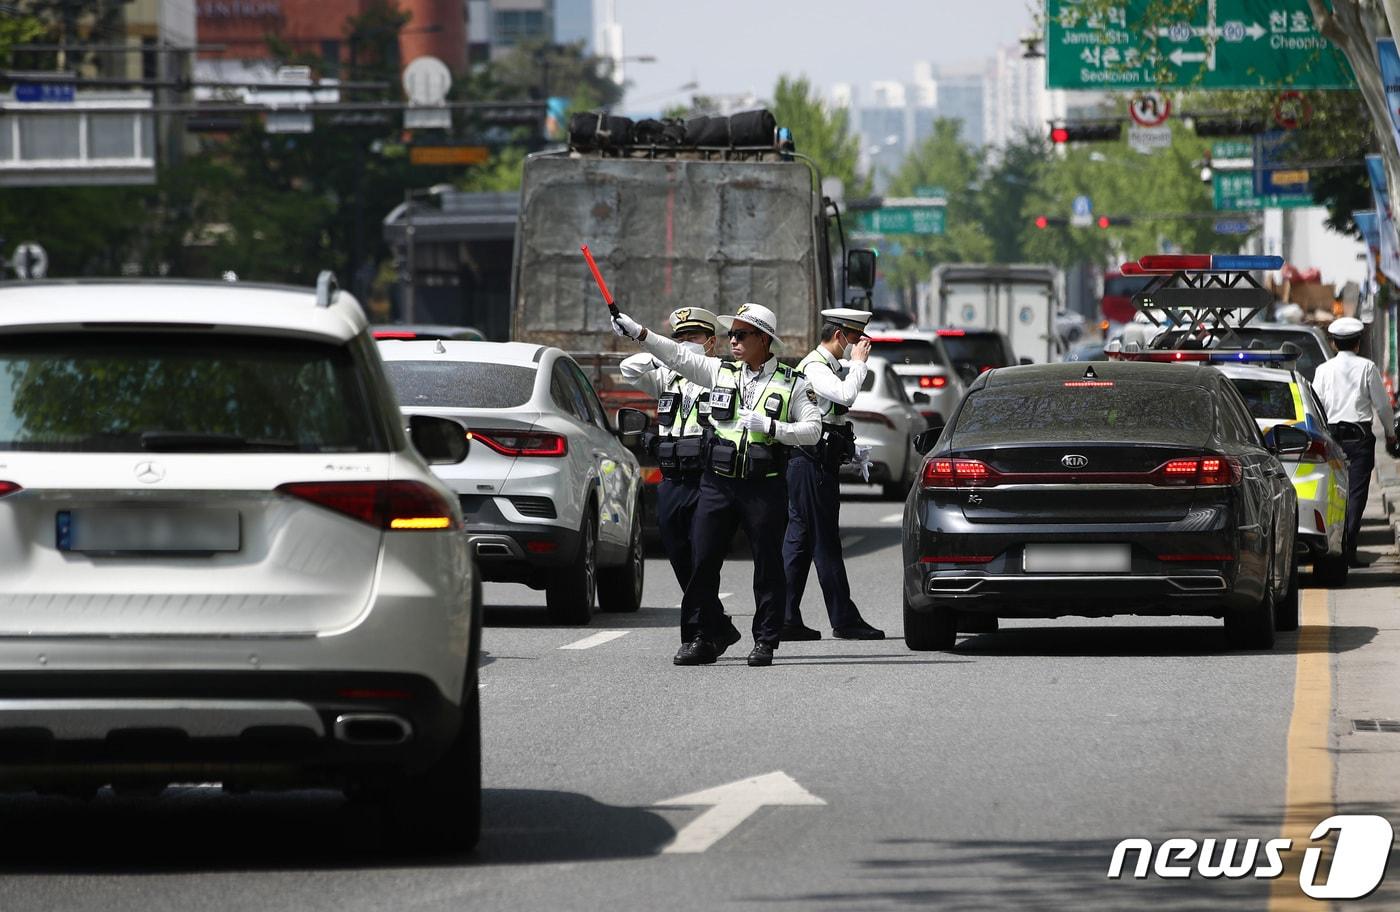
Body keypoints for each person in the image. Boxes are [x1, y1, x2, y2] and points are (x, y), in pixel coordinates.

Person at [611, 303, 821, 667]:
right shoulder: (720, 372)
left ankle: (765, 641)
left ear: (764, 340)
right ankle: (702, 637)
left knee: (768, 565)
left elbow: (814, 430)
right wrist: (640, 333)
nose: (733, 341)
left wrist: (775, 429)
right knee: (702, 561)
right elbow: (676, 355)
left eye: (741, 335)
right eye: (731, 335)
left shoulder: (793, 383)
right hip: (718, 483)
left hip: (763, 486)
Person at [619, 307, 742, 654]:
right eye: (680, 338)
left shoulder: (721, 373)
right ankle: (719, 625)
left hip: (708, 478)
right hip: (673, 478)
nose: (686, 344)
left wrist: (678, 355)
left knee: (704, 557)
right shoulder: (666, 377)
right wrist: (662, 359)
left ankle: (698, 636)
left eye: (694, 338)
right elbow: (628, 369)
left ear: (712, 342)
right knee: (678, 554)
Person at [781, 308, 886, 641]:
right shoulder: (815, 367)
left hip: (814, 463)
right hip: (809, 465)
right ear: (840, 336)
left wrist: (851, 450)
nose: (859, 345)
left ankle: (784, 617)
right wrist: (859, 363)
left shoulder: (828, 367)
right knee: (824, 542)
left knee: (798, 543)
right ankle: (844, 619)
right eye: (855, 338)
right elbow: (844, 395)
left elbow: (832, 418)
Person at [1310, 316, 1397, 567]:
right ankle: (1348, 550)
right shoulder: (1367, 368)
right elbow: (1382, 406)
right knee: (1356, 496)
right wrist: (1391, 434)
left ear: (1334, 344)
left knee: (1332, 493)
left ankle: (1335, 548)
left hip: (1331, 439)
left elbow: (1316, 406)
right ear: (1357, 343)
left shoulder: (1323, 370)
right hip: (1359, 439)